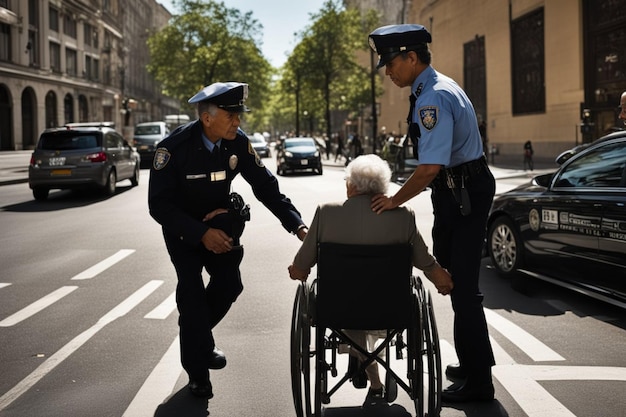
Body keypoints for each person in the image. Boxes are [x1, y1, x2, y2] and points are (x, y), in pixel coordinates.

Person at [148, 82, 308, 399]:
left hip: (221, 228)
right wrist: (201, 234)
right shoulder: (173, 149)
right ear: (208, 118)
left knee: (230, 286)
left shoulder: (237, 144)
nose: (238, 122)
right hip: (184, 233)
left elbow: (266, 188)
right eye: (231, 115)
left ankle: (198, 338)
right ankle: (198, 371)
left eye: (238, 115)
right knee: (191, 295)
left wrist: (298, 226)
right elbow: (159, 206)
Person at [368, 24, 496, 403]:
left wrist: (394, 200)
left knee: (464, 291)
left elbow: (428, 169)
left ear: (412, 57)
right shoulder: (434, 87)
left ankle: (479, 382)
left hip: (462, 194)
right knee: (458, 282)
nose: (388, 71)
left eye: (391, 63)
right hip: (459, 191)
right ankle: (473, 360)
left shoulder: (431, 99)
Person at [288, 154, 454, 405]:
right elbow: (425, 262)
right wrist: (442, 279)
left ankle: (369, 371)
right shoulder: (403, 216)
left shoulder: (326, 213)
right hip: (391, 309)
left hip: (338, 309)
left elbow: (301, 268)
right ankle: (373, 373)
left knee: (345, 299)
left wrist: (297, 270)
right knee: (379, 299)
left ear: (352, 186)